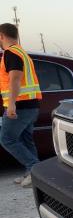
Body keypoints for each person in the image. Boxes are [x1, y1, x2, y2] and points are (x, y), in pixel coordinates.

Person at [0, 23, 42, 188]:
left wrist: (11, 105)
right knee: (25, 139)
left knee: (7, 139)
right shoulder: (21, 52)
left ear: (2, 36)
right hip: (30, 104)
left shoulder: (11, 53)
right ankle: (32, 174)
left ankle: (34, 168)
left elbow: (15, 79)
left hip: (21, 105)